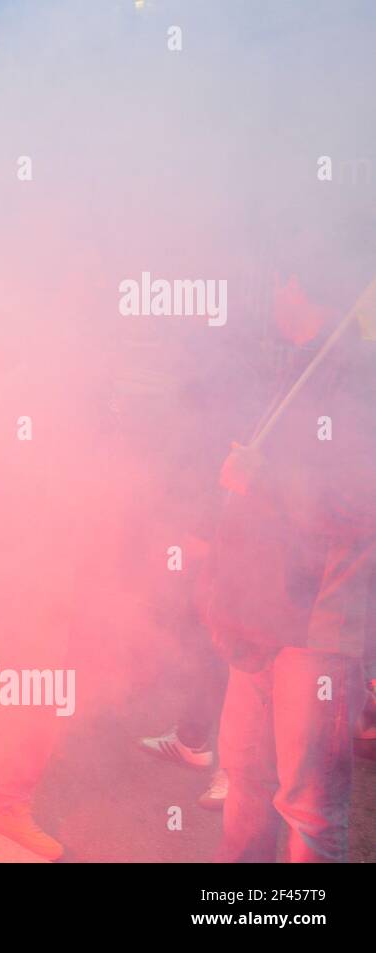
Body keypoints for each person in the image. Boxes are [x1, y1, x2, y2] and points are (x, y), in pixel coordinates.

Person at [209, 289, 376, 863]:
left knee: (307, 807)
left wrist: (266, 480)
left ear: (302, 286)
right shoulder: (295, 367)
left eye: (277, 282)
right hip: (260, 616)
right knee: (245, 775)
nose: (270, 296)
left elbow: (359, 503)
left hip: (319, 628)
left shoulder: (360, 381)